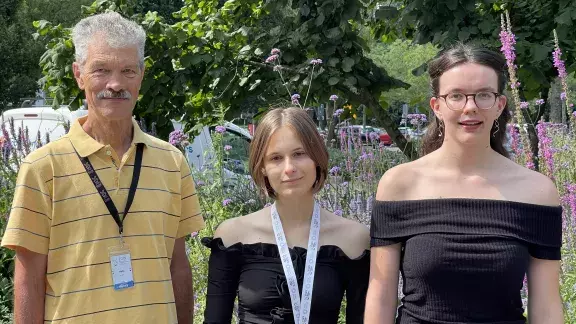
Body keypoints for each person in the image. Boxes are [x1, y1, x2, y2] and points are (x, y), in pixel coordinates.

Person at [1, 12, 205, 324]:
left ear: (142, 74)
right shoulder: (42, 168)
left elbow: (178, 264)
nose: (116, 84)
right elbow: (28, 277)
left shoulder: (172, 162)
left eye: (128, 70)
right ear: (78, 74)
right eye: (101, 70)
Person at [365, 44, 564, 324]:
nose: (470, 107)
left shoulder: (538, 192)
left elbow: (546, 305)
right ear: (437, 106)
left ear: (499, 105)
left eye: (483, 95)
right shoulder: (400, 184)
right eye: (456, 96)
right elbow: (381, 293)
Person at [202, 107, 371, 323]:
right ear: (262, 167)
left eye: (299, 154)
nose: (289, 168)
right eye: (275, 158)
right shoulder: (232, 236)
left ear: (317, 158)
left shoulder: (353, 239)